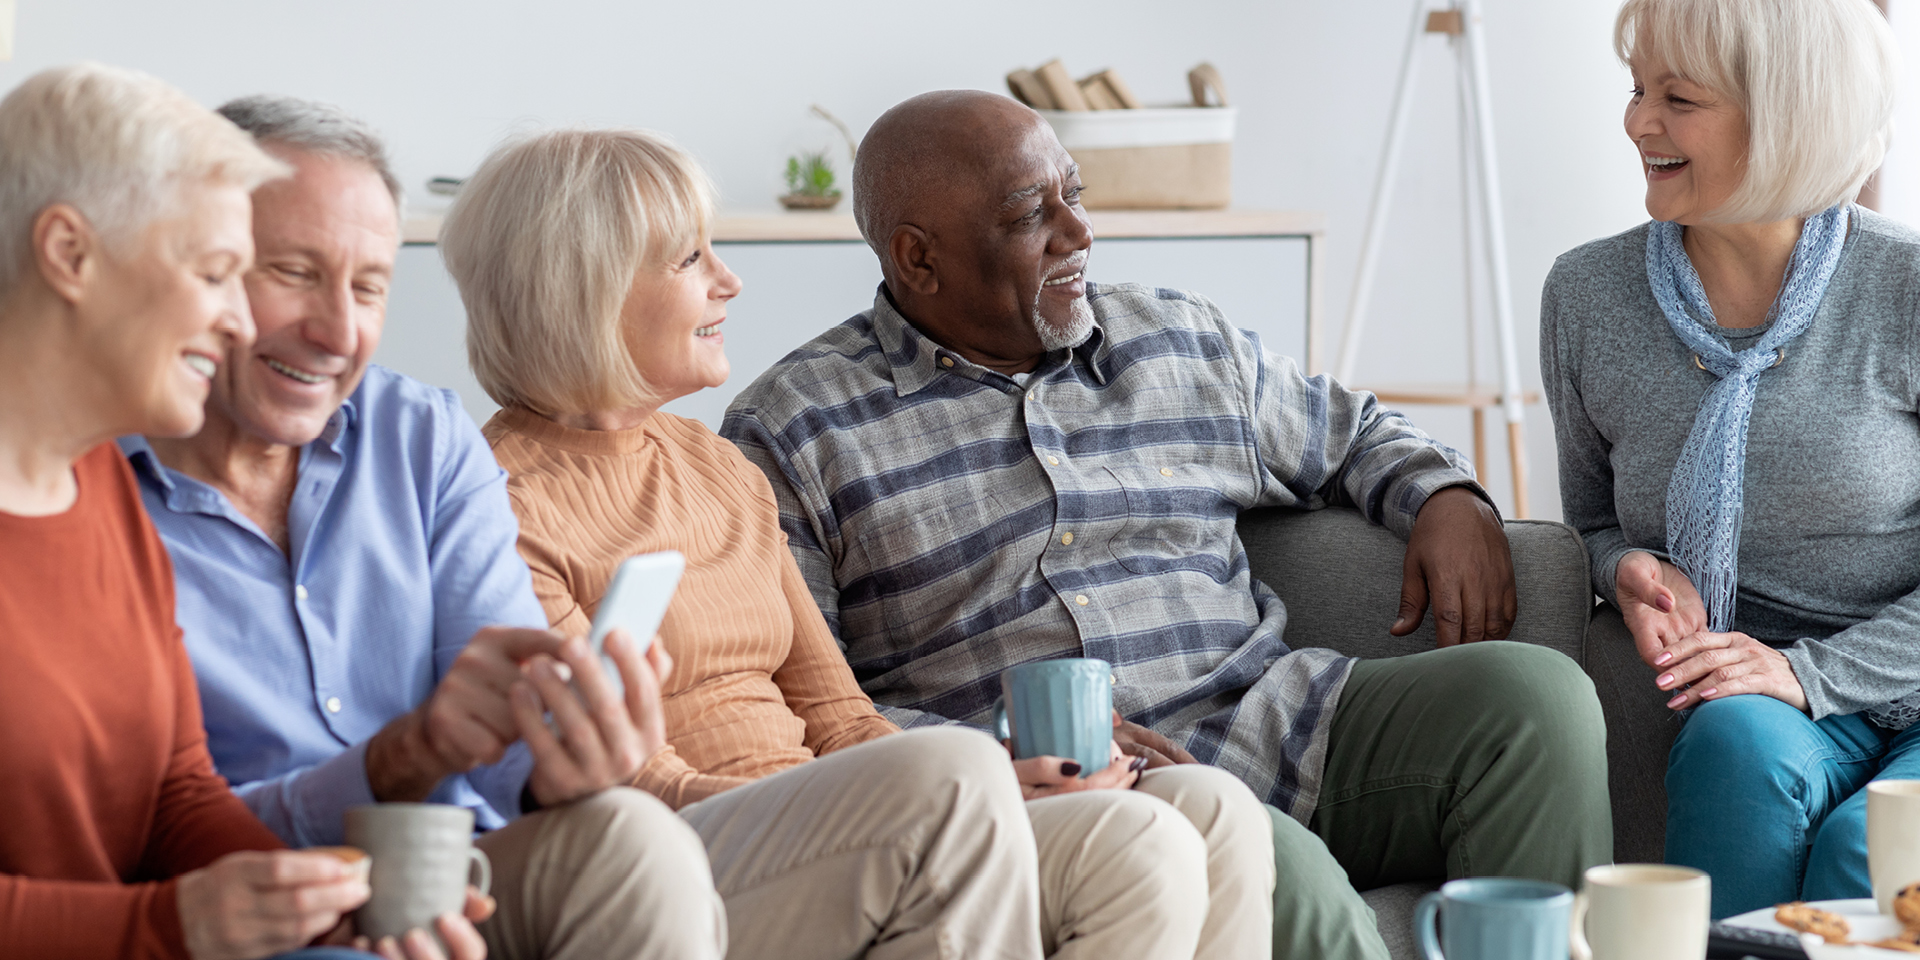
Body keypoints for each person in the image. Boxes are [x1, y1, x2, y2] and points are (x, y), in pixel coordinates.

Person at [719, 89, 1613, 960]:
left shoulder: (1178, 338)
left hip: (1274, 720)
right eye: (1034, 215)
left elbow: (1357, 431)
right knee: (1272, 865)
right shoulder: (796, 430)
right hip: (1078, 793)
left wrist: (1446, 495)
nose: (1078, 234)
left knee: (1534, 700)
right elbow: (795, 703)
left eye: (1077, 194)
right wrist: (990, 756)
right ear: (919, 259)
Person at [449, 125, 1275, 960]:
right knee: (951, 773)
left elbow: (839, 716)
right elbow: (615, 782)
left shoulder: (719, 467)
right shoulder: (495, 504)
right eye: (689, 260)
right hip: (681, 853)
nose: (728, 281)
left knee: (1203, 813)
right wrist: (883, 795)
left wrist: (998, 782)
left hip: (838, 820)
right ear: (587, 288)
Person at [119, 95, 728, 958]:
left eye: (368, 287)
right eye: (292, 272)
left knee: (628, 833)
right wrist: (398, 765)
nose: (337, 331)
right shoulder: (89, 488)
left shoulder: (420, 439)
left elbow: (515, 761)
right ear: (191, 267)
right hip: (245, 906)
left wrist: (571, 760)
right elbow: (144, 835)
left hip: (467, 888)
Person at [0, 63, 383, 960]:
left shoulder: (96, 479)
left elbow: (175, 791)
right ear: (69, 253)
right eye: (215, 273)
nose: (240, 322)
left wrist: (330, 906)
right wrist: (168, 926)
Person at [1543, 0, 1909, 919]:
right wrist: (1628, 566)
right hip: (1757, 696)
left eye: (1678, 97)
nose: (1636, 121)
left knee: (1865, 851)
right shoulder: (1586, 295)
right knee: (1730, 748)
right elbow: (1590, 521)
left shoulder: (1905, 288)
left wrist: (1811, 677)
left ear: (1787, 114)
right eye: (1636, 89)